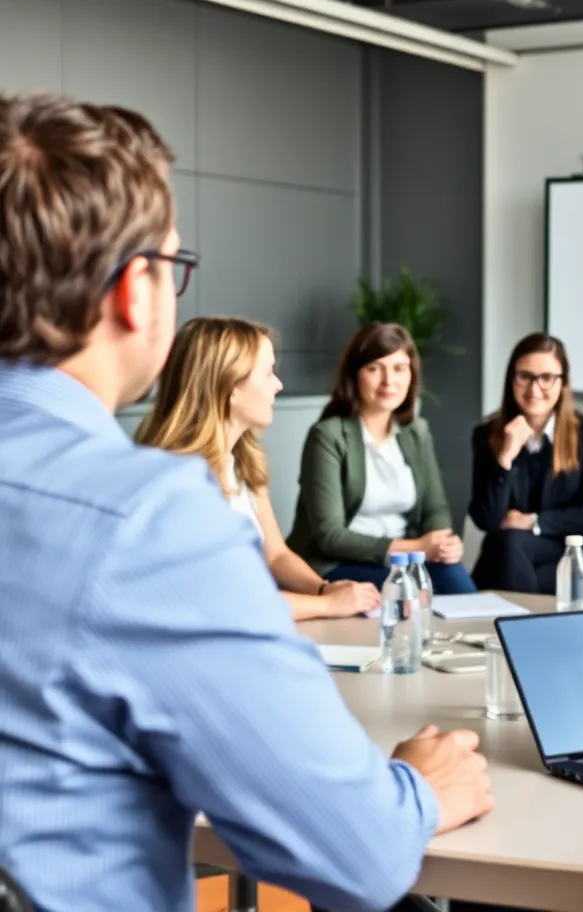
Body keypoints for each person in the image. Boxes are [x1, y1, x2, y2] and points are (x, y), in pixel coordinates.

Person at [0, 93, 492, 912]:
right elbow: (355, 856)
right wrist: (418, 784)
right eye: (173, 265)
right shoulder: (142, 516)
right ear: (136, 292)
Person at [136, 316, 380, 622]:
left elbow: (275, 554)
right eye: (268, 373)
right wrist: (329, 606)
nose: (278, 385)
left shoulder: (242, 457)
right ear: (231, 386)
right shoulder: (179, 477)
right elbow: (226, 599)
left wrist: (323, 589)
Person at [288, 322, 476, 594]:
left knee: (459, 587)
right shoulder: (327, 436)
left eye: (399, 368)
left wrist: (440, 541)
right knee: (406, 596)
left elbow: (435, 508)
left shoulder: (416, 431)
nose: (389, 381)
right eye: (375, 368)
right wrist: (417, 547)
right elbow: (330, 536)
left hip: (407, 558)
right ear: (355, 375)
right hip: (338, 563)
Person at [469, 332, 583, 594]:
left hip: (568, 553)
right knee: (510, 546)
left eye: (546, 378)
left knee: (513, 553)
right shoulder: (487, 434)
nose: (534, 389)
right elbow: (486, 519)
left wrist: (531, 521)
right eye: (525, 376)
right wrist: (505, 457)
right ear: (512, 379)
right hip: (506, 555)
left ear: (563, 382)